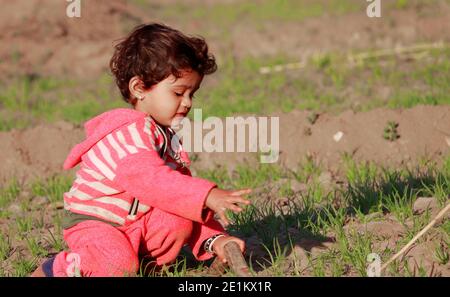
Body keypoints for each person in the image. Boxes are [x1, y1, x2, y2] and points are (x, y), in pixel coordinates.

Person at [31, 23, 252, 277]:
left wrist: (216, 239)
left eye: (192, 93)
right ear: (139, 89)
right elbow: (153, 182)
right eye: (179, 92)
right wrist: (206, 195)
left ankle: (140, 264)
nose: (188, 102)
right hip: (97, 222)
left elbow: (178, 196)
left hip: (133, 222)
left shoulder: (164, 135)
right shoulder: (129, 132)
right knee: (116, 262)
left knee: (177, 218)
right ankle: (53, 269)